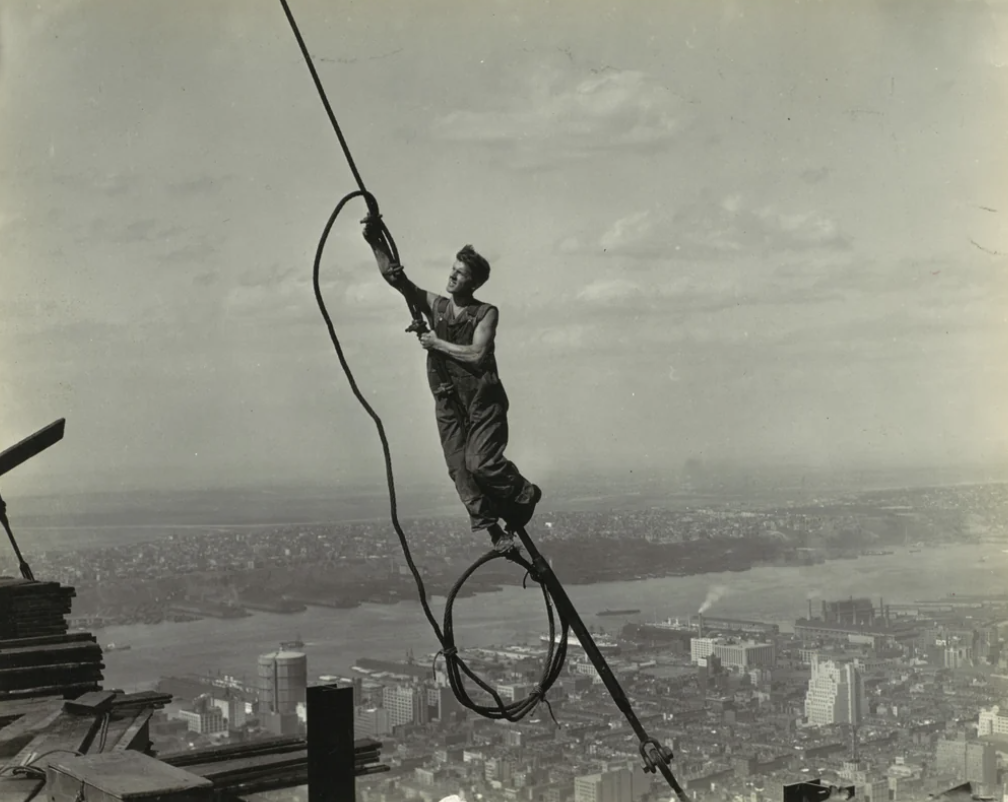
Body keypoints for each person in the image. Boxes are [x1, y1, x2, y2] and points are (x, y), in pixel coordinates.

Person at [363, 215, 541, 553]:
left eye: (460, 273)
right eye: (452, 268)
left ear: (472, 282)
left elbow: (477, 355)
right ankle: (495, 535)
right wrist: (374, 240)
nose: (452, 275)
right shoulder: (438, 307)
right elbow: (397, 281)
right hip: (447, 398)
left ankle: (523, 493)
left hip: (482, 401)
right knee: (460, 470)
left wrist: (435, 343)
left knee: (481, 464)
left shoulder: (485, 313)